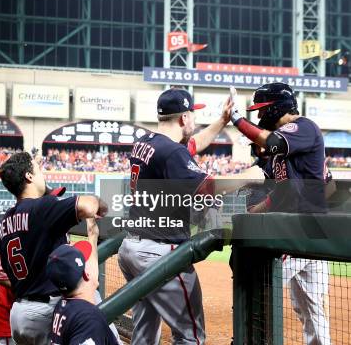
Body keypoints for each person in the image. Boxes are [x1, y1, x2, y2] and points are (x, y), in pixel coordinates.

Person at [117, 88, 264, 344]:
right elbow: (207, 186)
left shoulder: (146, 142)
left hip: (130, 249)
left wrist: (222, 120)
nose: (194, 122)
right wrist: (252, 175)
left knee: (145, 331)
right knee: (190, 336)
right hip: (158, 253)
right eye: (192, 116)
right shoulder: (173, 153)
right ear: (184, 118)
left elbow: (193, 145)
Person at [231, 82, 332, 344]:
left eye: (262, 110)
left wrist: (237, 120)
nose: (260, 117)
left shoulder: (303, 126)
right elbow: (282, 192)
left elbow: (272, 141)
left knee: (259, 285)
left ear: (277, 107)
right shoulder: (281, 156)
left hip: (301, 229)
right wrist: (257, 209)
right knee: (307, 307)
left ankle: (250, 340)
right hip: (304, 227)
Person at [0, 152, 107, 344]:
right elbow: (88, 207)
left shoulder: (4, 221)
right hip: (46, 311)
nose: (43, 173)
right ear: (29, 176)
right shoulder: (40, 207)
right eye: (38, 169)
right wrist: (100, 203)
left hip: (19, 312)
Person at [48, 219, 118, 345]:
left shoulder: (62, 307)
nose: (90, 264)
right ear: (86, 274)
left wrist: (93, 234)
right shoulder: (88, 319)